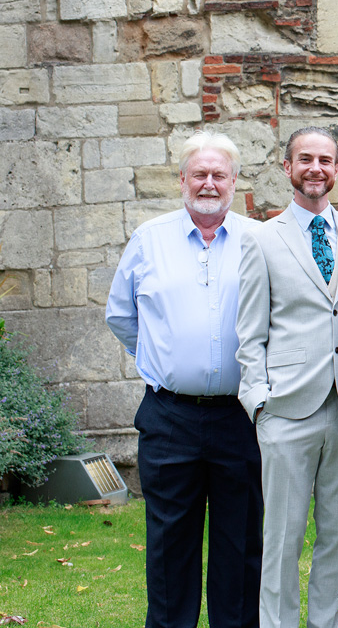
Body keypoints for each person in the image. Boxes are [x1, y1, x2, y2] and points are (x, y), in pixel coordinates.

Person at [106, 129, 262, 628]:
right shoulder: (148, 239)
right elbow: (120, 316)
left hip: (241, 419)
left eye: (219, 174)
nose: (209, 183)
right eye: (200, 174)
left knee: (240, 544)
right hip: (169, 416)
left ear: (235, 181)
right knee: (170, 544)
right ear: (182, 180)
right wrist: (159, 359)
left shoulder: (258, 240)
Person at [235, 127, 338, 628]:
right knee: (282, 536)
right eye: (305, 159)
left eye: (325, 160)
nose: (315, 168)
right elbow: (249, 332)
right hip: (287, 409)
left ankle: (326, 623)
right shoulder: (261, 240)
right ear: (287, 168)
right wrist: (258, 402)